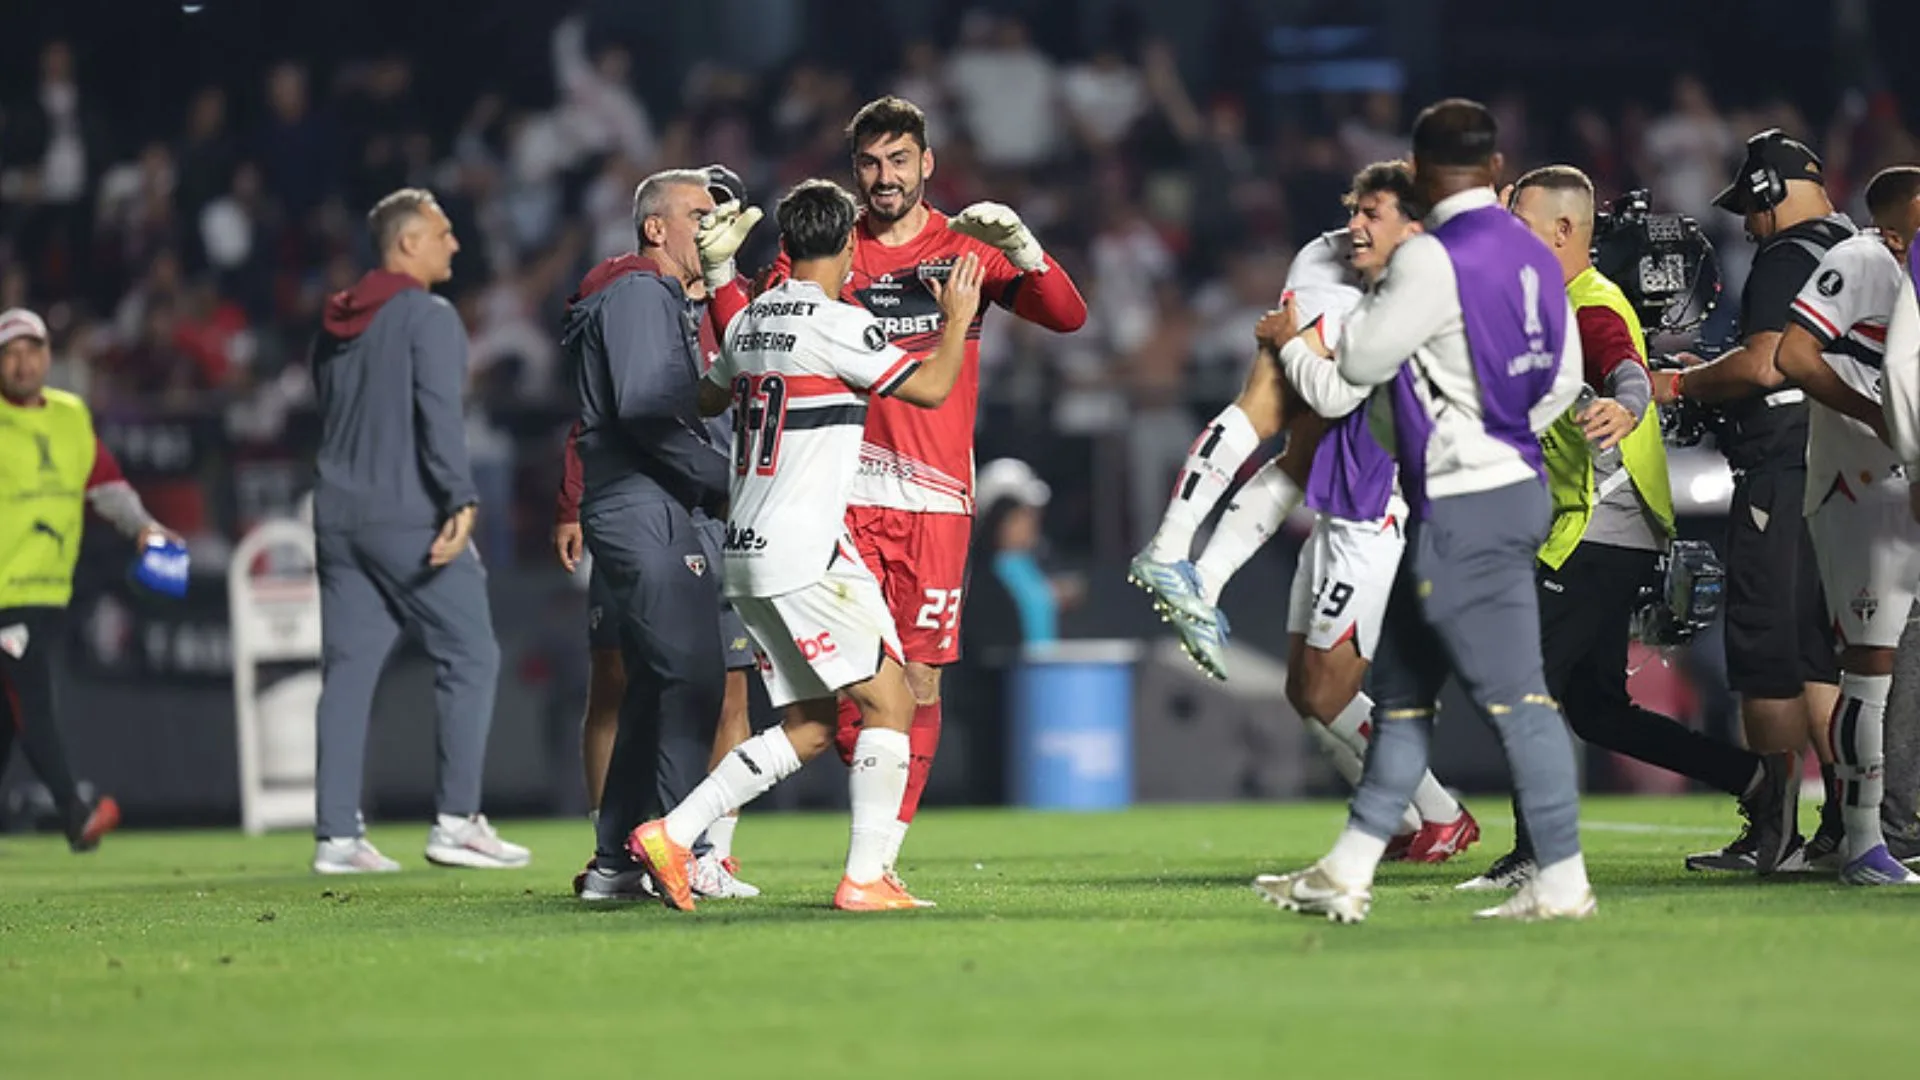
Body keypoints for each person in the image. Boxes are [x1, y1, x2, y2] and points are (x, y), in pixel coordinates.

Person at [701, 96, 1087, 886]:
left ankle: (880, 860)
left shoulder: (964, 248)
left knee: (918, 681)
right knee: (850, 690)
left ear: (926, 164)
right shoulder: (828, 250)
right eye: (871, 164)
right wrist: (719, 281)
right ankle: (760, 850)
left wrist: (1029, 252)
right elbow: (749, 335)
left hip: (938, 497)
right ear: (854, 172)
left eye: (899, 161)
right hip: (841, 495)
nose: (886, 178)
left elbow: (1068, 317)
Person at [1254, 99, 1593, 923]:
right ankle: (1350, 868)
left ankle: (1564, 881)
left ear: (1416, 166)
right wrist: (1499, 426)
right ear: (1496, 166)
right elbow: (1560, 378)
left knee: (1517, 697)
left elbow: (1361, 361)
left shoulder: (1430, 259)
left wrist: (1296, 342)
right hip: (1505, 482)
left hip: (1462, 497)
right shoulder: (1532, 253)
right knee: (1402, 693)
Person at [627, 179, 985, 912]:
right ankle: (865, 879)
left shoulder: (751, 321)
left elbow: (707, 397)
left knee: (814, 725)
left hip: (747, 549)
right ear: (850, 246)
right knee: (893, 704)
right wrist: (957, 320)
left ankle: (675, 831)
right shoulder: (839, 323)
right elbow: (933, 389)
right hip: (804, 548)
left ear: (785, 247)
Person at [1456, 166, 1790, 889]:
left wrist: (1629, 404)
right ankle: (1757, 781)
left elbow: (1625, 367)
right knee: (1599, 712)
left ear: (1563, 231)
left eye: (1519, 225)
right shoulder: (1544, 304)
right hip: (1591, 530)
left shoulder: (1588, 301)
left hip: (1597, 530)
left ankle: (1537, 853)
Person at [1133, 162, 1476, 860]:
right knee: (1307, 690)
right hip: (1342, 499)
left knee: (1327, 692)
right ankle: (1417, 824)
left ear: (1411, 229)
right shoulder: (1347, 264)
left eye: (1372, 214)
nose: (1354, 224)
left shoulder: (1422, 300)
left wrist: (1290, 340)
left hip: (1377, 511)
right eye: (1355, 210)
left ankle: (1435, 814)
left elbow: (1339, 395)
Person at [552, 164, 759, 900]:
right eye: (699, 215)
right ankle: (685, 846)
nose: (713, 227)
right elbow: (643, 407)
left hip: (649, 501)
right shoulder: (641, 289)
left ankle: (613, 863)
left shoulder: (658, 294)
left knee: (652, 687)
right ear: (656, 227)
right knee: (692, 679)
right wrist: (723, 480)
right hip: (649, 503)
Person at [308, 188, 528, 874]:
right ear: (407, 244)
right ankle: (457, 822)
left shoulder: (336, 320)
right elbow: (439, 415)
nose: (454, 244)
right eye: (442, 233)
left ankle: (337, 836)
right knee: (471, 655)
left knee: (348, 671)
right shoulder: (427, 316)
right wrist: (460, 497)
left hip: (336, 515)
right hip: (406, 512)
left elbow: (323, 402)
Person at [1652, 130, 1853, 872]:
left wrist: (1685, 382)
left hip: (1785, 471)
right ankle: (1850, 827)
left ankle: (1772, 834)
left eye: (1751, 205)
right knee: (1823, 658)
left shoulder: (1787, 254)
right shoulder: (1860, 251)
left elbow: (1767, 364)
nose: (1746, 223)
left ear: (1771, 191)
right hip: (1844, 474)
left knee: (1767, 656)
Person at [1771, 164, 1920, 883]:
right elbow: (1793, 353)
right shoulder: (1860, 258)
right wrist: (1873, 417)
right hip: (1858, 488)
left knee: (1882, 667)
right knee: (1871, 666)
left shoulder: (1905, 273)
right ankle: (1863, 842)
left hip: (1891, 486)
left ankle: (1854, 835)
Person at [0, 307, 172, 852]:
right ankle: (75, 811)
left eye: (32, 350)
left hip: (48, 590)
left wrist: (144, 527)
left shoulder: (71, 415)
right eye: (10, 353)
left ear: (49, 355)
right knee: (33, 701)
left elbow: (105, 484)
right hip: (4, 592)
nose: (23, 363)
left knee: (9, 716)